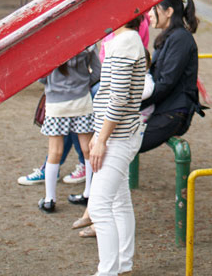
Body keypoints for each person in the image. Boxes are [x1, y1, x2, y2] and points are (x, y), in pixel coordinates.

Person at [87, 14, 148, 276]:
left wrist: (101, 139)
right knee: (118, 202)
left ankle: (109, 271)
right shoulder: (125, 40)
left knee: (100, 205)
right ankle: (122, 264)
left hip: (119, 136)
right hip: (119, 134)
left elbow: (119, 98)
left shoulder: (125, 43)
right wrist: (98, 134)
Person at [140, 0, 204, 153]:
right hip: (163, 109)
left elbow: (166, 83)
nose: (149, 14)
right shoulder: (168, 37)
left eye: (154, 8)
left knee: (123, 144)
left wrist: (136, 105)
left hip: (173, 113)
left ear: (169, 11)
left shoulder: (180, 39)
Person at [37, 48, 98, 213]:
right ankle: (89, 193)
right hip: (82, 100)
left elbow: (41, 77)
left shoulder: (50, 45)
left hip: (56, 103)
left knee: (54, 152)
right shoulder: (88, 44)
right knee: (87, 148)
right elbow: (97, 72)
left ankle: (50, 199)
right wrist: (83, 83)